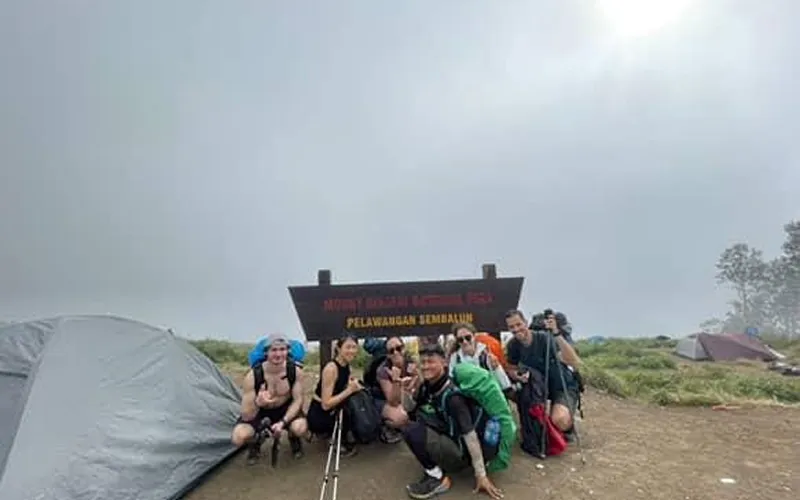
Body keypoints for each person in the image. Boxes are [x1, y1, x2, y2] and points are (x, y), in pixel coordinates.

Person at [402, 343, 505, 500]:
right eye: (423, 362)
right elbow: (409, 409)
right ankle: (437, 461)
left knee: (410, 429)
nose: (425, 366)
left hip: (460, 452)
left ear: (444, 362)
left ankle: (438, 478)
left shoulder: (453, 397)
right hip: (448, 437)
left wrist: (481, 475)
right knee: (416, 419)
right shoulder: (426, 386)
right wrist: (404, 390)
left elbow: (470, 436)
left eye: (431, 362)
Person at [231, 334, 308, 464]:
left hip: (285, 409)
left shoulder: (295, 372)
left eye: (282, 349)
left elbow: (298, 401)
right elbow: (246, 415)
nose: (278, 354)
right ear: (266, 352)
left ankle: (293, 437)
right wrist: (258, 402)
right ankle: (255, 441)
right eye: (274, 350)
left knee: (300, 427)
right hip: (260, 412)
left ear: (288, 351)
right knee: (239, 437)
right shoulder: (253, 376)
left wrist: (283, 422)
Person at [504, 309, 582, 433]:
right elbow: (511, 368)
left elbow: (574, 362)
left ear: (525, 322)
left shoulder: (545, 339)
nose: (516, 329)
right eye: (511, 327)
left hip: (561, 386)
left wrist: (556, 335)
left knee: (559, 421)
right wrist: (517, 375)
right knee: (511, 392)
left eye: (518, 324)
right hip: (538, 390)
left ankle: (567, 424)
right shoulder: (513, 345)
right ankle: (538, 421)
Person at [306, 334, 363, 457]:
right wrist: (350, 390)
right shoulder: (331, 369)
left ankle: (338, 434)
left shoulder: (346, 365)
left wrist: (352, 384)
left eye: (354, 347)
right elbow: (325, 404)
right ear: (338, 348)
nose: (351, 351)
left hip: (335, 408)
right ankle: (328, 435)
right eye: (348, 347)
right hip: (320, 414)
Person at [369, 336, 419, 442]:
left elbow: (419, 389)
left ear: (404, 348)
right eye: (391, 351)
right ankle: (386, 426)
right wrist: (396, 381)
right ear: (387, 355)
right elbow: (393, 402)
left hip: (403, 396)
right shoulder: (383, 370)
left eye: (398, 348)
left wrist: (416, 376)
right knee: (401, 417)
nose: (396, 352)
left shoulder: (411, 362)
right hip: (381, 400)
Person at [448, 322, 512, 394]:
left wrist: (495, 368)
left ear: (474, 336)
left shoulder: (487, 352)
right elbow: (451, 380)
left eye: (468, 338)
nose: (465, 342)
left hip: (488, 393)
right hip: (466, 395)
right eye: (460, 340)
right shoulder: (455, 358)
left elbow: (504, 383)